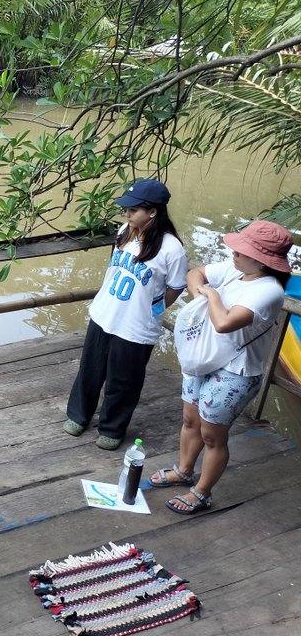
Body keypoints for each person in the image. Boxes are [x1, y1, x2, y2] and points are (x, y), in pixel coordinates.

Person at [151, 220, 293, 514]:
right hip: (203, 357)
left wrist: (211, 296)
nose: (233, 252)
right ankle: (184, 469)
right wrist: (200, 292)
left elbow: (225, 323)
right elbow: (196, 272)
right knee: (190, 420)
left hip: (234, 372)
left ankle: (202, 492)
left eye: (241, 250)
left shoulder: (268, 291)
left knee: (212, 435)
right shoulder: (237, 270)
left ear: (261, 260)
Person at [63, 179, 189, 450]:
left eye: (133, 210)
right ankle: (78, 414)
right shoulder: (125, 231)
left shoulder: (172, 249)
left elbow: (176, 287)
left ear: (152, 212)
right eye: (127, 209)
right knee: (90, 369)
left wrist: (150, 308)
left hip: (136, 326)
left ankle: (111, 427)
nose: (127, 214)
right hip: (104, 313)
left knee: (124, 380)